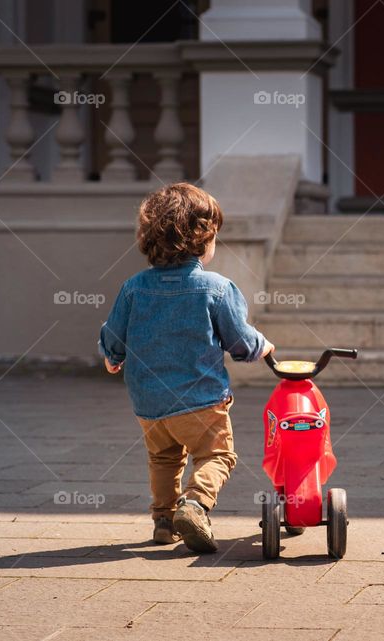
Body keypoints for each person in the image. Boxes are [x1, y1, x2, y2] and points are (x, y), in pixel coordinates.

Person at [98, 182, 274, 553]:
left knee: (163, 457)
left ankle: (163, 521)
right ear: (203, 239)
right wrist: (263, 346)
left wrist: (112, 357)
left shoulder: (133, 288)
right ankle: (194, 505)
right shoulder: (217, 288)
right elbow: (240, 342)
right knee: (217, 455)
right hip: (201, 401)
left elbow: (114, 334)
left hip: (149, 403)